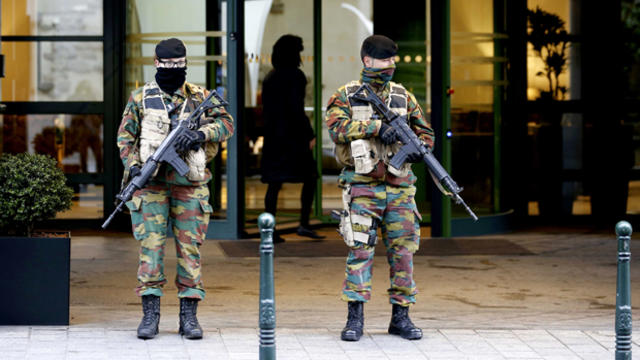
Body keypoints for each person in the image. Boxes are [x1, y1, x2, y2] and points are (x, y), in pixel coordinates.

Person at [117, 38, 234, 340]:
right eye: (167, 65)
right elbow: (125, 139)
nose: (173, 70)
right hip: (151, 187)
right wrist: (133, 167)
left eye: (178, 65)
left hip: (189, 187)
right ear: (156, 63)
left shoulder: (199, 97)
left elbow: (227, 124)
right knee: (151, 251)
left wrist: (199, 133)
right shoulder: (140, 97)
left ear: (185, 64)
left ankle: (189, 317)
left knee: (190, 251)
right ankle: (150, 315)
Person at [325, 35, 434, 341]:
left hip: (400, 190)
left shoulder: (403, 97)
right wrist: (376, 127)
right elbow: (335, 127)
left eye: (392, 61)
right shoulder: (346, 95)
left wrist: (418, 148)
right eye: (384, 60)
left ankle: (401, 317)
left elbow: (426, 133)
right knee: (360, 251)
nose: (390, 66)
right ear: (367, 61)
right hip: (363, 188)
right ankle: (355, 319)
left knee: (403, 254)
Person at [260, 34, 324, 243]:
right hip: (293, 138)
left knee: (274, 183)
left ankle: (270, 229)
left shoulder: (270, 77)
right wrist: (309, 134)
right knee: (310, 177)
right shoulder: (296, 76)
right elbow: (296, 110)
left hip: (274, 137)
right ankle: (304, 223)